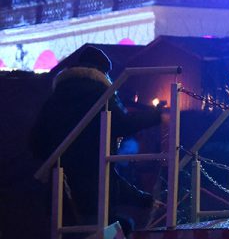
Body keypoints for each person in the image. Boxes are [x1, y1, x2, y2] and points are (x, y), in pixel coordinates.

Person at [30, 46, 163, 230]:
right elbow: (121, 123)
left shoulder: (55, 98)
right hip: (93, 198)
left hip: (61, 190)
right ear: (103, 73)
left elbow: (36, 142)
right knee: (117, 228)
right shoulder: (101, 95)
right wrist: (157, 117)